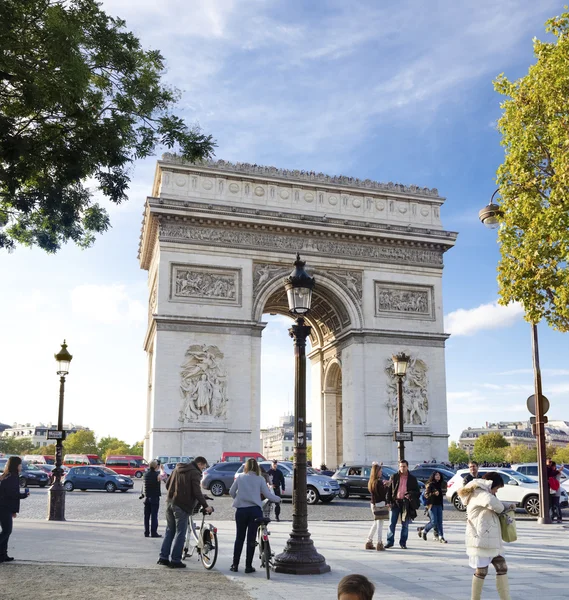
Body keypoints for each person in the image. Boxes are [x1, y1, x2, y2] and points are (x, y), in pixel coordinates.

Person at [458, 472, 514, 600]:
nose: (496, 491)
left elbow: (495, 503)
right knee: (482, 571)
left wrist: (508, 505)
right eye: (497, 488)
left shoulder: (481, 492)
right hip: (482, 538)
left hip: (489, 538)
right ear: (491, 484)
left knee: (502, 567)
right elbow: (494, 504)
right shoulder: (480, 493)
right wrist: (503, 506)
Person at [158, 456, 212, 569]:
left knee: (170, 531)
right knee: (180, 533)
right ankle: (175, 560)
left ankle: (163, 558)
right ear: (200, 464)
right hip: (182, 505)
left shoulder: (177, 468)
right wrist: (205, 506)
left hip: (169, 502)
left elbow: (168, 485)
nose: (202, 470)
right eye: (203, 467)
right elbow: (197, 492)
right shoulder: (194, 473)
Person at [229, 458, 281, 573]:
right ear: (257, 467)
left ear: (246, 467)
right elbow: (267, 494)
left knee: (239, 538)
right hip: (255, 511)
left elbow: (231, 492)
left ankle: (235, 565)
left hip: (241, 511)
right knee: (251, 539)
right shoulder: (260, 479)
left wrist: (239, 499)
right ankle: (248, 566)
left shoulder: (240, 477)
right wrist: (278, 499)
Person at [385, 459, 420, 549]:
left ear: (407, 467)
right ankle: (390, 541)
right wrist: (388, 501)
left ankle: (403, 542)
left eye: (404, 466)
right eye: (401, 466)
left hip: (406, 503)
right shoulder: (394, 476)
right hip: (395, 502)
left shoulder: (412, 478)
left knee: (405, 524)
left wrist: (410, 494)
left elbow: (417, 491)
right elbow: (389, 490)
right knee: (391, 523)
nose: (402, 468)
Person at [0, 456, 30, 563]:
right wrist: (25, 495)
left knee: (6, 531)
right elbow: (12, 494)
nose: (21, 466)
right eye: (20, 464)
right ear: (16, 465)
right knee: (7, 531)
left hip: (5, 507)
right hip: (4, 507)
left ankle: (3, 555)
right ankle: (2, 554)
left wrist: (13, 510)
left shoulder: (7, 476)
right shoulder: (12, 477)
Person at [418, 471, 447, 543]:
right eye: (436, 475)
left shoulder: (441, 484)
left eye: (439, 475)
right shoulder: (430, 485)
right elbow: (426, 495)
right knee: (434, 521)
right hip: (432, 505)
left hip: (439, 505)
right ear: (433, 476)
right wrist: (434, 493)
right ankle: (424, 530)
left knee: (440, 522)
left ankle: (441, 536)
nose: (438, 476)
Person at [365, 462, 388, 551]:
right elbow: (382, 494)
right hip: (379, 504)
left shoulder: (371, 481)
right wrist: (387, 485)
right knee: (380, 525)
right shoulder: (378, 482)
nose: (381, 472)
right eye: (380, 471)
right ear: (376, 472)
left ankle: (369, 541)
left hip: (373, 504)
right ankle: (379, 543)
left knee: (375, 523)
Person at [142, 459, 161, 538]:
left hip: (147, 497)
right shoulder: (157, 475)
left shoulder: (145, 474)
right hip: (154, 497)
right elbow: (164, 477)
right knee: (154, 516)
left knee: (146, 516)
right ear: (156, 466)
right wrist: (162, 469)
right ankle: (153, 532)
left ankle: (146, 532)